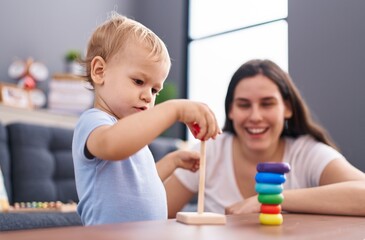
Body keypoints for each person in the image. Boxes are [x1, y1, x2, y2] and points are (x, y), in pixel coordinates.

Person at [72, 12, 221, 226]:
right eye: (139, 81)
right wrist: (174, 109)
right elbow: (113, 145)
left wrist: (173, 161)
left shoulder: (131, 136)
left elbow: (140, 186)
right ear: (99, 71)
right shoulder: (94, 122)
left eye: (155, 90)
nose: (148, 96)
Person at [165, 59, 365, 217]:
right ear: (231, 111)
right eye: (244, 105)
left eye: (267, 104)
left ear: (287, 108)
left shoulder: (306, 153)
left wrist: (271, 199)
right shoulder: (211, 149)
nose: (255, 117)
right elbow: (153, 211)